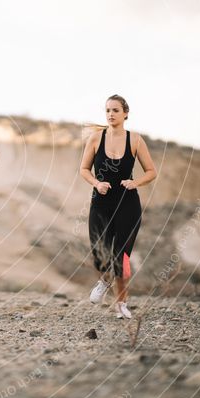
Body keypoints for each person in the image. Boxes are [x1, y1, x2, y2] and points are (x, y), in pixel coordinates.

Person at [79, 94, 156, 319]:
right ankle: (104, 280)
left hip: (127, 204)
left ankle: (121, 304)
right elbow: (83, 169)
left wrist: (135, 182)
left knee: (121, 257)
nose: (111, 114)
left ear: (125, 114)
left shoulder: (135, 140)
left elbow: (151, 171)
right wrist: (96, 182)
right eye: (108, 111)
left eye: (115, 110)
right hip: (100, 203)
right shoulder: (95, 138)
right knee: (99, 253)